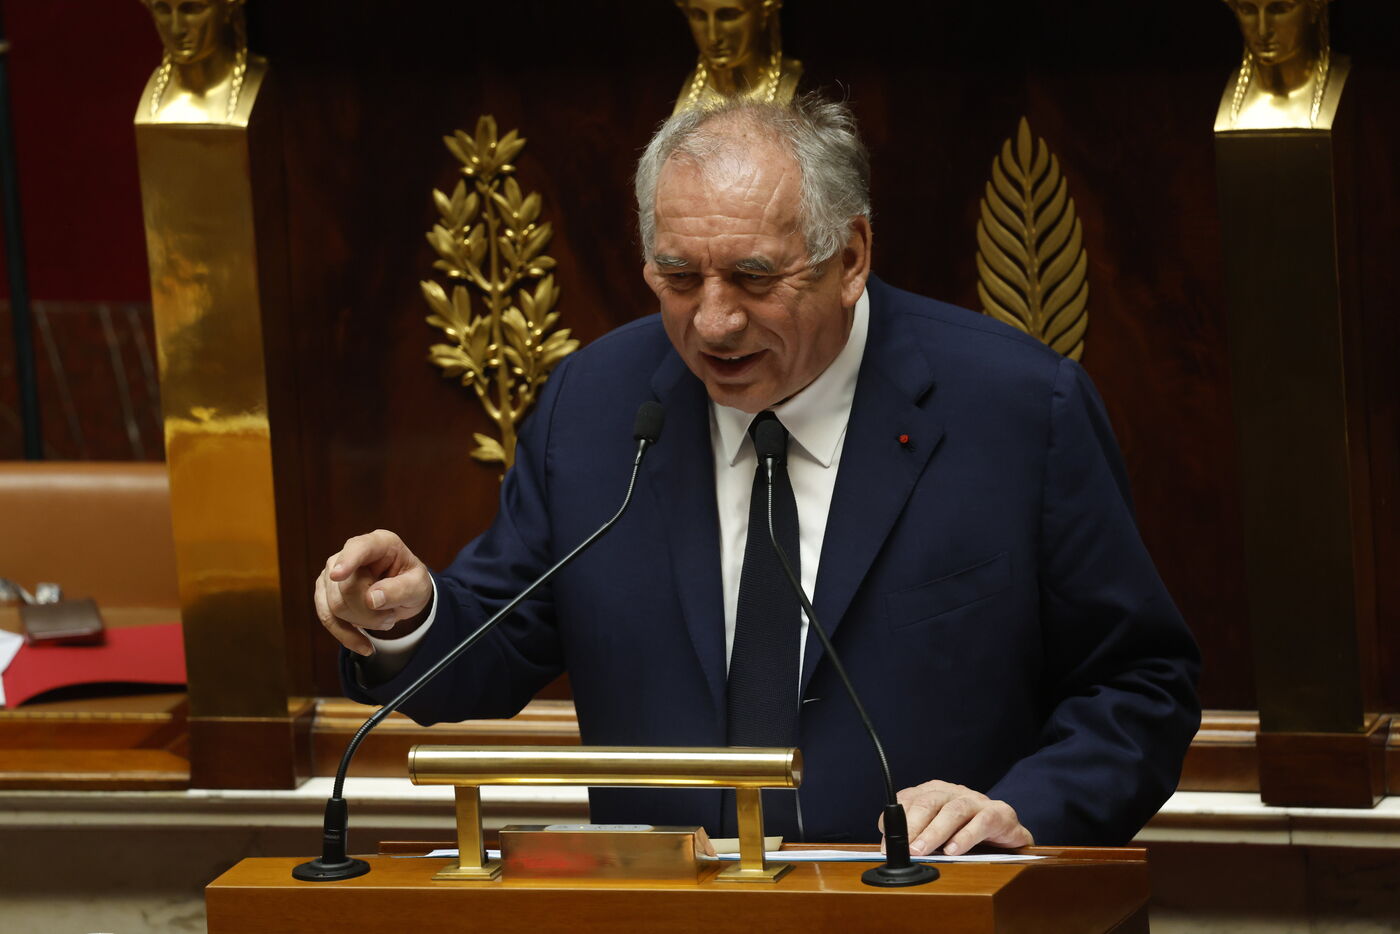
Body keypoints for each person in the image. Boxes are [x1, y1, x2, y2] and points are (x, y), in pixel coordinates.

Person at [316, 95, 1200, 854]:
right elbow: (498, 642)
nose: (713, 322)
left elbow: (1138, 684)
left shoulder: (1014, 409)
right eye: (677, 275)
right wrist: (408, 617)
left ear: (850, 258)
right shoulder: (598, 406)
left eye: (752, 277)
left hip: (932, 904)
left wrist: (1020, 811)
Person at [1217, 0, 1347, 130]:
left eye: (1279, 9)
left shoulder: (1346, 84)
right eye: (1248, 10)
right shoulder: (1223, 97)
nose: (1263, 31)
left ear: (1313, 10)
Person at [137, 0, 267, 126]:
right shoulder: (153, 100)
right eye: (163, 9)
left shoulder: (256, 84)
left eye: (192, 9)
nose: (176, 29)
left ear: (228, 8)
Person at [672, 0, 803, 113]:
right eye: (699, 15)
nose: (713, 38)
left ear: (764, 10)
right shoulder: (691, 92)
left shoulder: (791, 84)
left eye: (728, 15)